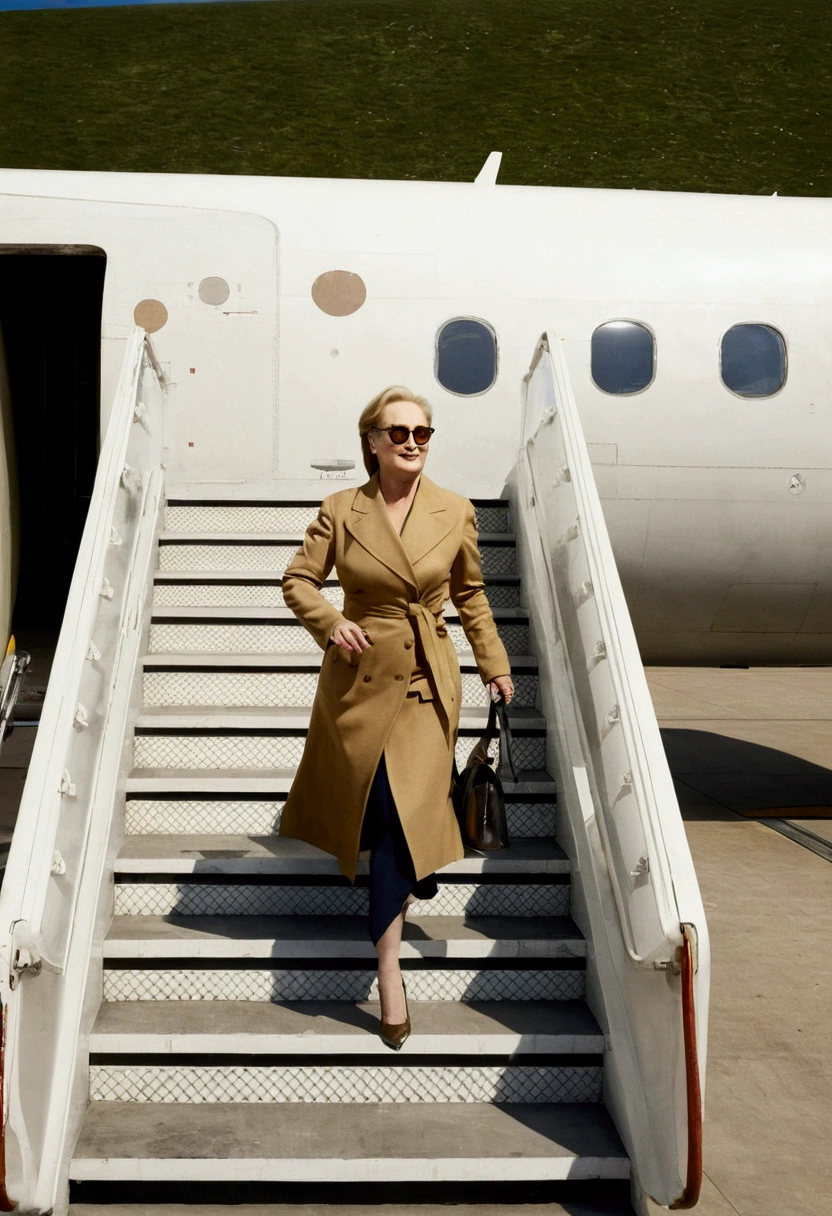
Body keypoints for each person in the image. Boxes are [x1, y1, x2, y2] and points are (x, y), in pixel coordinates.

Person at [279, 385, 514, 1048]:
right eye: (399, 432)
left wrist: (495, 666)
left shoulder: (455, 510)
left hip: (426, 685)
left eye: (423, 433)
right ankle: (410, 879)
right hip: (360, 681)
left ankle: (388, 971)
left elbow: (470, 597)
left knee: (399, 816)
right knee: (386, 813)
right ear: (373, 442)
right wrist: (330, 622)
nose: (413, 442)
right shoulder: (341, 509)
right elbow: (298, 580)